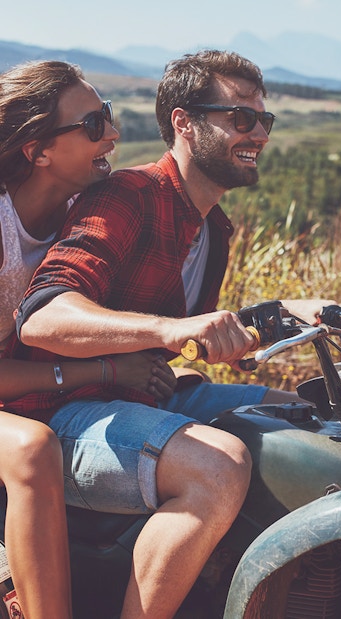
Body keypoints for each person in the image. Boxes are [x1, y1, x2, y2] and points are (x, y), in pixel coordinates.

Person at [9, 50, 333, 618]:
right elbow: (44, 314)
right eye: (240, 118)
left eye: (264, 120)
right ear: (184, 123)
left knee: (303, 420)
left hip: (136, 392)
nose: (258, 132)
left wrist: (273, 318)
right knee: (218, 465)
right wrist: (161, 337)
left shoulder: (211, 230)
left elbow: (181, 342)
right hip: (64, 407)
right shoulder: (126, 196)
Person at [0, 60, 177, 618]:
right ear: (38, 150)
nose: (114, 134)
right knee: (29, 450)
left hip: (27, 387)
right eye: (94, 123)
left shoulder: (82, 214)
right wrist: (102, 372)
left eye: (111, 117)